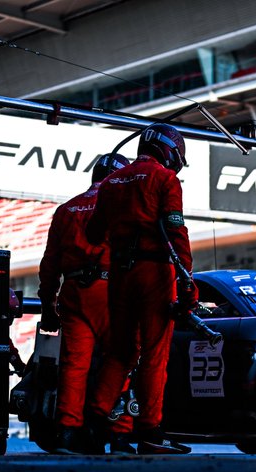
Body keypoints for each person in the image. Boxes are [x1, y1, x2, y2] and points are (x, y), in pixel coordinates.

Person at [83, 123, 194, 455]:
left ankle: (93, 425)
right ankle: (150, 434)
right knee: (154, 354)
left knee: (120, 353)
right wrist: (188, 285)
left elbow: (93, 234)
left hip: (120, 273)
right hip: (153, 272)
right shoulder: (165, 179)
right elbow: (177, 233)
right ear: (169, 149)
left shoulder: (112, 182)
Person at [38, 152, 134, 455]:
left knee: (74, 367)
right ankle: (116, 433)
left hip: (74, 292)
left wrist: (46, 306)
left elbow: (49, 264)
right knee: (122, 361)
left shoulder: (66, 210)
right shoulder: (123, 205)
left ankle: (67, 433)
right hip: (113, 292)